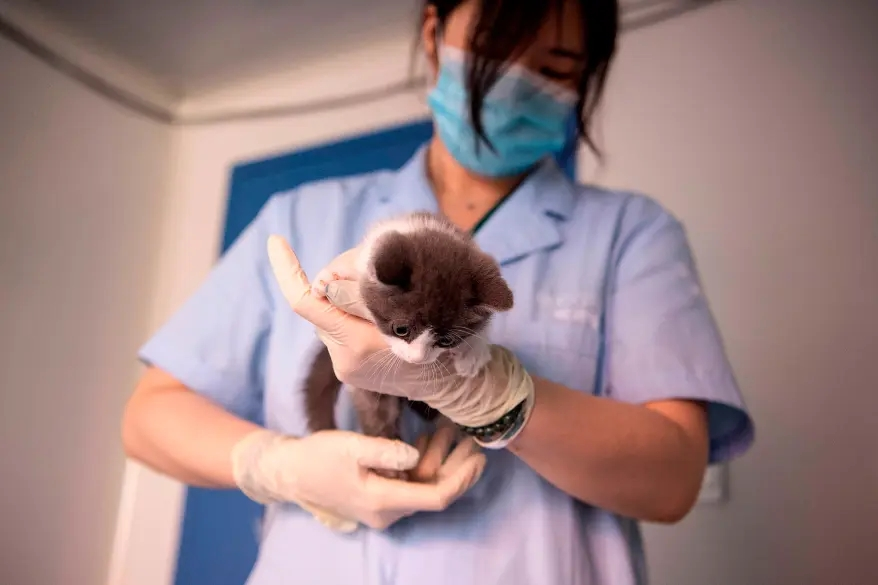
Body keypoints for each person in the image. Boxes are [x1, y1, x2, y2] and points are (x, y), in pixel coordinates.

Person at [121, 0, 755, 583]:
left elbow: (672, 479)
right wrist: (278, 464)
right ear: (432, 33)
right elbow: (150, 416)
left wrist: (494, 393)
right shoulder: (300, 219)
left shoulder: (629, 234)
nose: (514, 82)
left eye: (553, 67)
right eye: (492, 51)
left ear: (587, 74)